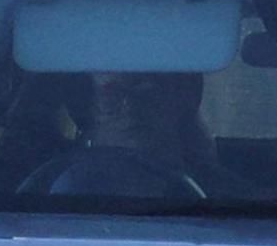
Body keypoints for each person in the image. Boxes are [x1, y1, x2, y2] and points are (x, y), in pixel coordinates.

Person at [22, 69, 216, 200]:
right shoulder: (44, 196)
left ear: (179, 102)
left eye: (147, 93)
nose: (130, 107)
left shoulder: (228, 203)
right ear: (88, 106)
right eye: (111, 95)